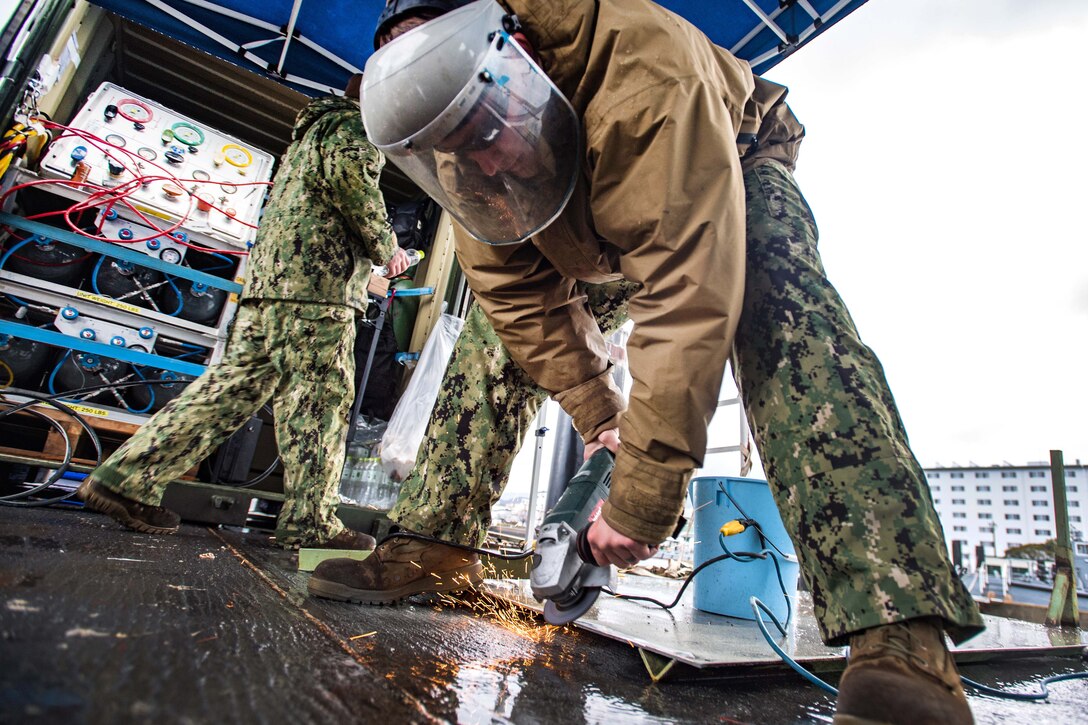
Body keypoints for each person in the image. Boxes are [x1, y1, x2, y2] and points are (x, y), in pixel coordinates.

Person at [310, 3, 985, 723]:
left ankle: (899, 636)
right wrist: (603, 416)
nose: (484, 162)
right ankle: (431, 547)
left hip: (729, 156)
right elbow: (523, 307)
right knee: (496, 339)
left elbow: (688, 298)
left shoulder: (646, 74)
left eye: (485, 128)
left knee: (779, 309)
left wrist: (642, 498)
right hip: (584, 204)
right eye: (455, 146)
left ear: (515, 50)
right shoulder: (465, 155)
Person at [77, 74, 409, 551]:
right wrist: (388, 247)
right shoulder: (353, 130)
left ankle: (124, 478)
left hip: (269, 288)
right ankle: (311, 526)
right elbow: (354, 186)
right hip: (315, 291)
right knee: (318, 403)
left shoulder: (312, 133)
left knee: (227, 392)